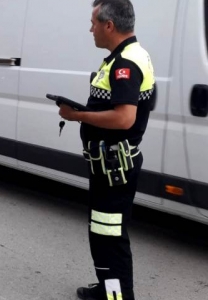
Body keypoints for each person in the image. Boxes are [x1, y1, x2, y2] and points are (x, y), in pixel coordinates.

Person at [58, 1, 155, 299]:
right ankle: (107, 290)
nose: (91, 29)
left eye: (93, 23)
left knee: (108, 238)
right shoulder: (130, 55)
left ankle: (115, 297)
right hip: (111, 166)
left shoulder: (125, 64)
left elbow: (125, 117)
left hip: (114, 169)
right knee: (105, 234)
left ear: (109, 25)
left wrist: (77, 116)